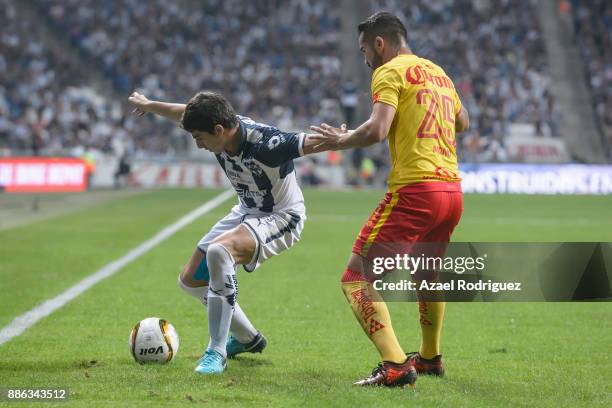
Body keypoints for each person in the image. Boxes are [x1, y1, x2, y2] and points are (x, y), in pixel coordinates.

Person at [310, 11, 469, 387]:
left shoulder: (389, 71)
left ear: (379, 44)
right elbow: (463, 122)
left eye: (365, 50)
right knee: (426, 273)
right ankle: (430, 358)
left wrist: (340, 140)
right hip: (451, 191)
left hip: (416, 190)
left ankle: (395, 364)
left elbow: (378, 130)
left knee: (356, 278)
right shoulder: (438, 73)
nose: (366, 58)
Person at [129, 90, 323, 375]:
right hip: (247, 209)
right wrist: (150, 105)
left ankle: (216, 352)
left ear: (218, 130)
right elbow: (181, 112)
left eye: (200, 138)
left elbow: (315, 142)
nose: (198, 145)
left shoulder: (266, 143)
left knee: (220, 252)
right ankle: (248, 338)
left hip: (281, 216)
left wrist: (362, 132)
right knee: (191, 280)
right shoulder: (220, 127)